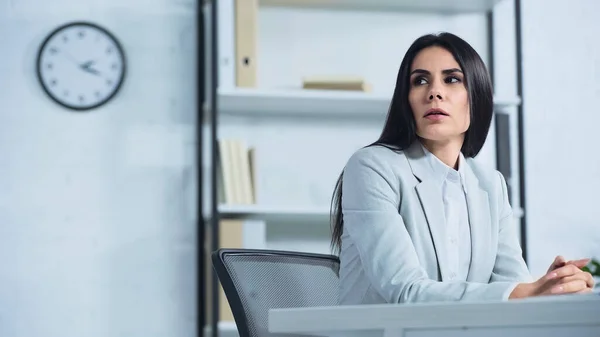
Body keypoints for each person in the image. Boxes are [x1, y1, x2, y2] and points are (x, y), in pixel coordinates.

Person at [329, 32, 595, 305]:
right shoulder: (372, 168)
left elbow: (511, 286)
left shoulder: (491, 184)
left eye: (452, 79)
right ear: (405, 100)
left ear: (476, 96)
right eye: (420, 81)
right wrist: (526, 292)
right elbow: (405, 292)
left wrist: (548, 288)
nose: (434, 92)